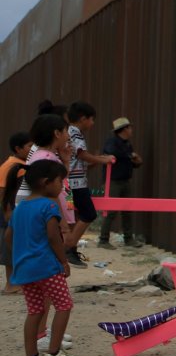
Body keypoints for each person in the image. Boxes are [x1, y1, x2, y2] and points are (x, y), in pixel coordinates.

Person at [2, 159, 77, 356]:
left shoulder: (21, 207)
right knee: (63, 305)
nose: (62, 186)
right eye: (59, 181)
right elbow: (54, 236)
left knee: (34, 310)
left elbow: (9, 237)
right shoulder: (48, 205)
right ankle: (53, 354)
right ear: (46, 182)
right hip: (46, 267)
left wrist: (22, 253)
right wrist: (63, 261)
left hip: (24, 269)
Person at [64, 102, 115, 267]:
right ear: (83, 118)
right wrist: (102, 159)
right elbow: (82, 154)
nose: (92, 124)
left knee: (74, 217)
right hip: (75, 183)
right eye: (92, 120)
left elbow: (78, 158)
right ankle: (69, 248)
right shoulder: (75, 132)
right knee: (88, 214)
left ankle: (68, 248)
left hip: (71, 182)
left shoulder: (69, 132)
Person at [100, 117, 143, 248]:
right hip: (113, 181)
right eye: (129, 127)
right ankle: (103, 240)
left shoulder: (127, 144)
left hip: (125, 180)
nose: (131, 130)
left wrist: (136, 160)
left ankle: (128, 239)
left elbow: (131, 161)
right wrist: (131, 156)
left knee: (127, 210)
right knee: (111, 211)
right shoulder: (112, 143)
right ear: (124, 129)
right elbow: (113, 154)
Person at [0, 132, 33, 293]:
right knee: (10, 249)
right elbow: (2, 190)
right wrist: (7, 212)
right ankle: (11, 285)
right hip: (10, 213)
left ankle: (15, 283)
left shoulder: (20, 164)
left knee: (15, 247)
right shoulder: (12, 166)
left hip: (15, 212)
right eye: (29, 146)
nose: (32, 148)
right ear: (18, 148)